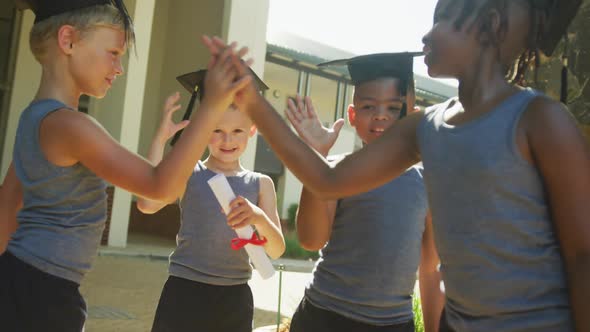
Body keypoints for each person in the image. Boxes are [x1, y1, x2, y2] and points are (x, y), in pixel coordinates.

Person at [202, 0, 590, 330]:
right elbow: (327, 179)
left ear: (487, 28)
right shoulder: (427, 128)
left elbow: (581, 256)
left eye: (442, 21)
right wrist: (251, 102)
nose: (426, 36)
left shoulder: (540, 121)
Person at [0, 1, 251, 331]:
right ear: (68, 40)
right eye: (114, 52)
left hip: (19, 281)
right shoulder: (71, 126)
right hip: (44, 294)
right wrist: (213, 104)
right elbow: (161, 185)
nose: (119, 68)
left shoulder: (33, 117)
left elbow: (6, 207)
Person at [285, 53, 443, 332]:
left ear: (413, 117)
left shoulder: (428, 182)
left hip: (393, 324)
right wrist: (317, 156)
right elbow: (311, 239)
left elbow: (430, 269)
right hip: (324, 316)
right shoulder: (334, 170)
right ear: (352, 116)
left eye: (394, 108)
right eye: (369, 106)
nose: (381, 115)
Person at [136, 69, 285, 332]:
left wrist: (258, 217)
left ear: (252, 129)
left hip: (234, 298)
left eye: (237, 130)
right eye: (217, 130)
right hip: (184, 291)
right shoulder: (189, 173)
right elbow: (147, 204)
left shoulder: (260, 184)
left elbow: (275, 250)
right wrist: (161, 139)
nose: (227, 140)